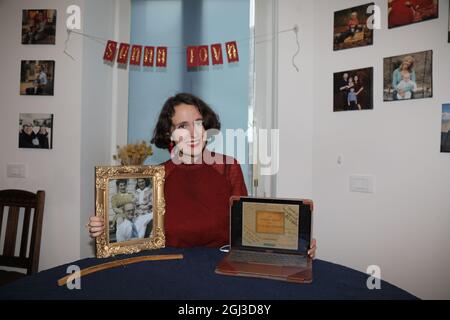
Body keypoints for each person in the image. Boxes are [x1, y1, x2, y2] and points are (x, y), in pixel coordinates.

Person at [88, 93, 317, 257]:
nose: (194, 133)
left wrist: (296, 245)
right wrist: (106, 227)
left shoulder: (228, 168)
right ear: (170, 133)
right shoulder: (158, 177)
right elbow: (136, 232)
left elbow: (248, 229)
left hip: (221, 266)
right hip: (170, 268)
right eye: (183, 126)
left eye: (198, 123)